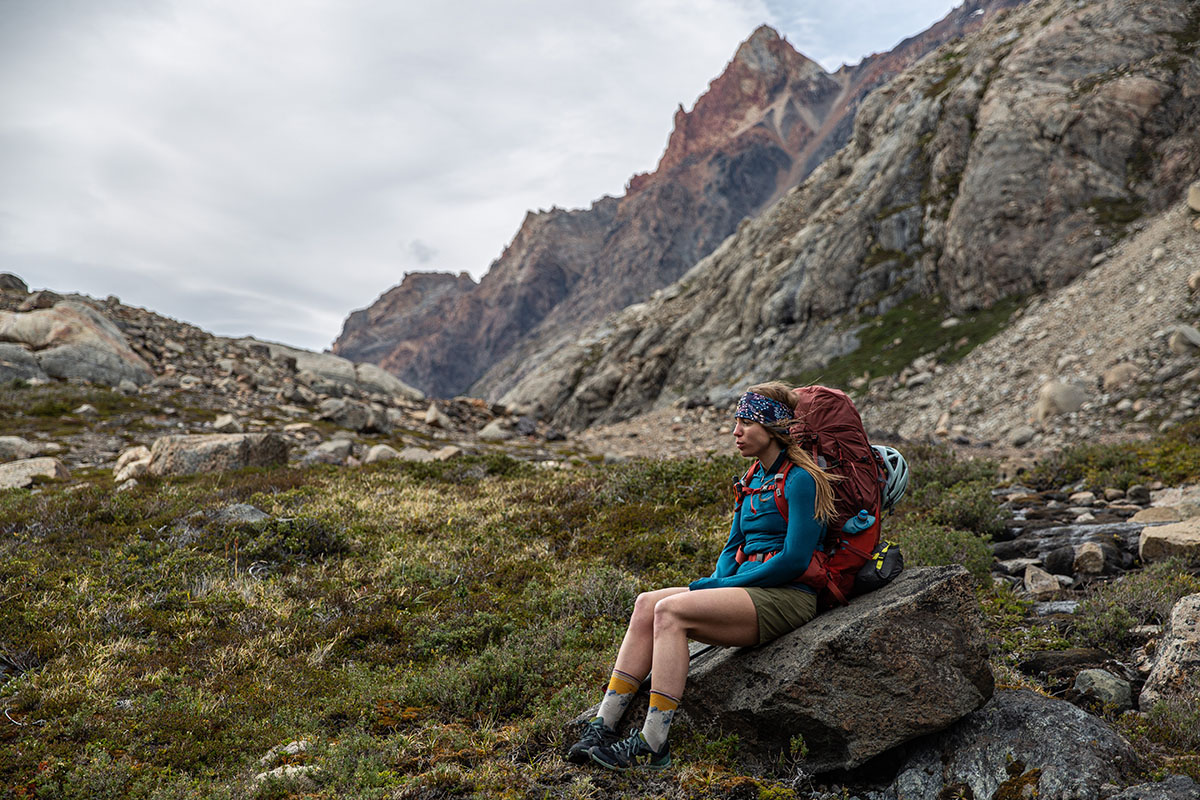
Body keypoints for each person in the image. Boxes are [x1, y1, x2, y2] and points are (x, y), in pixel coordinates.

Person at [568, 381, 837, 771]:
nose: (736, 432)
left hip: (789, 596)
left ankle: (652, 744)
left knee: (672, 613)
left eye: (746, 423)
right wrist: (717, 581)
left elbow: (795, 560)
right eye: (736, 422)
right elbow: (733, 548)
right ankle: (603, 725)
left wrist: (724, 586)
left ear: (774, 428)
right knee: (647, 603)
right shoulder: (751, 480)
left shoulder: (802, 480)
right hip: (753, 590)